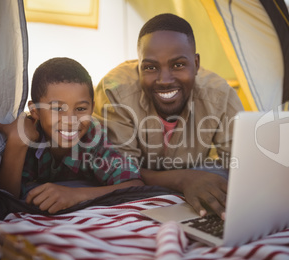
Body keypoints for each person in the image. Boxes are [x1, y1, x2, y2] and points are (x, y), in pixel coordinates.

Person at [94, 14, 244, 218]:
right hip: (138, 181)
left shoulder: (219, 94)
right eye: (150, 67)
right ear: (139, 67)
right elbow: (122, 171)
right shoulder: (115, 90)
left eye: (178, 65)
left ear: (196, 63)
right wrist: (183, 179)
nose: (164, 80)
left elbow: (240, 164)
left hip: (195, 169)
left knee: (221, 175)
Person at [0, 57, 143, 214]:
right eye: (57, 109)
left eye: (81, 109)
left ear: (92, 108)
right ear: (35, 111)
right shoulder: (26, 136)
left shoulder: (93, 136)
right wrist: (16, 143)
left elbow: (134, 184)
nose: (71, 121)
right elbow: (4, 202)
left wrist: (76, 195)